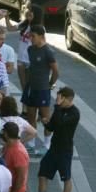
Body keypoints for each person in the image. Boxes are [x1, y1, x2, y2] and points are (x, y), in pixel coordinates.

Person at [27, 87, 80, 192]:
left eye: (60, 98)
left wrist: (57, 107)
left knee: (66, 178)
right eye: (57, 98)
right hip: (53, 149)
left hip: (65, 150)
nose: (58, 100)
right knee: (42, 174)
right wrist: (46, 123)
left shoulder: (74, 113)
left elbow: (61, 124)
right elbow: (53, 127)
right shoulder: (60, 109)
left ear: (69, 99)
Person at [23, 25, 59, 155]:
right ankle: (31, 144)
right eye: (30, 36)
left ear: (41, 36)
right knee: (31, 116)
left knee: (45, 119)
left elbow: (55, 71)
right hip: (31, 88)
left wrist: (50, 84)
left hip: (43, 89)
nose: (31, 39)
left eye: (33, 36)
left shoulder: (48, 52)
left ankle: (47, 145)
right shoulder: (30, 49)